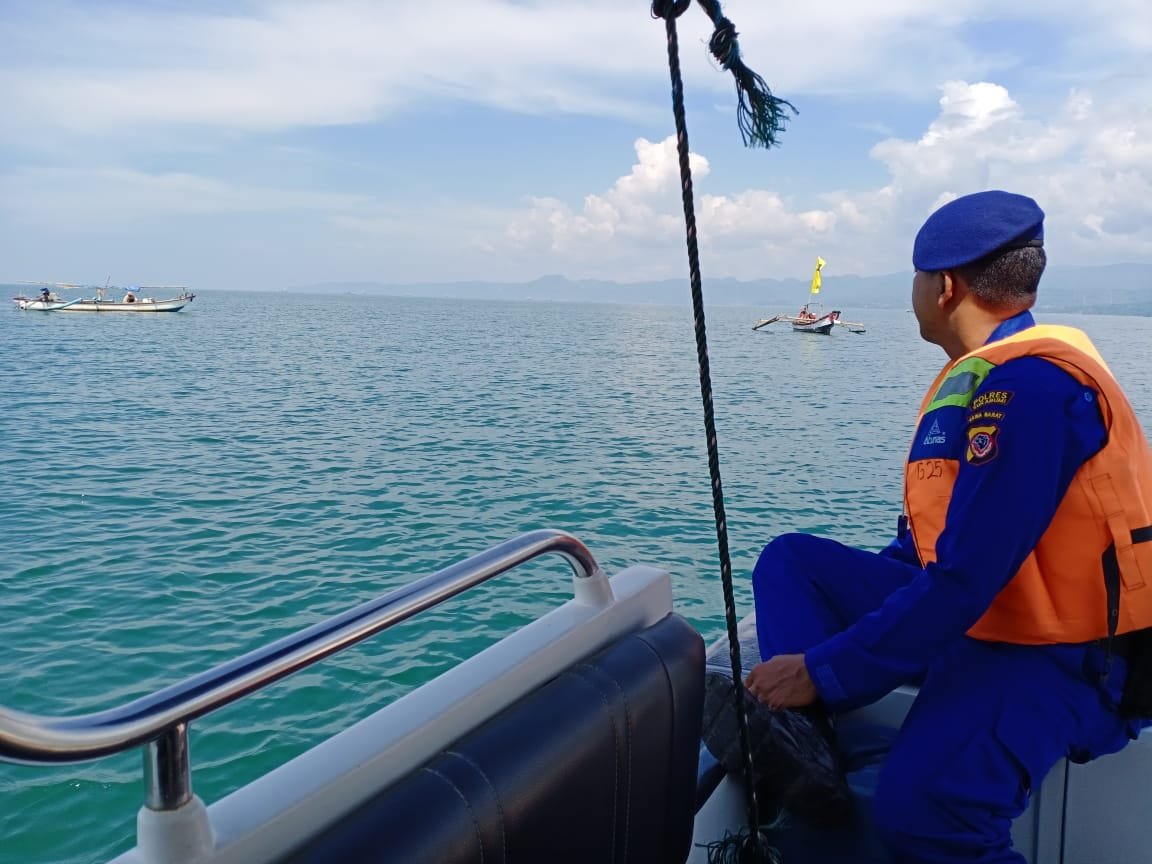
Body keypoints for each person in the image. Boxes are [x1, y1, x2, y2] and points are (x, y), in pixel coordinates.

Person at [743, 190, 1152, 863]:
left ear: (944, 288)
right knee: (793, 563)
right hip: (992, 611)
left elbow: (968, 575)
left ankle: (824, 720)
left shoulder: (1031, 390)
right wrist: (867, 632)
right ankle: (808, 751)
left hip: (1064, 651)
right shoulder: (985, 375)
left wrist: (824, 669)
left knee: (924, 813)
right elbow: (931, 548)